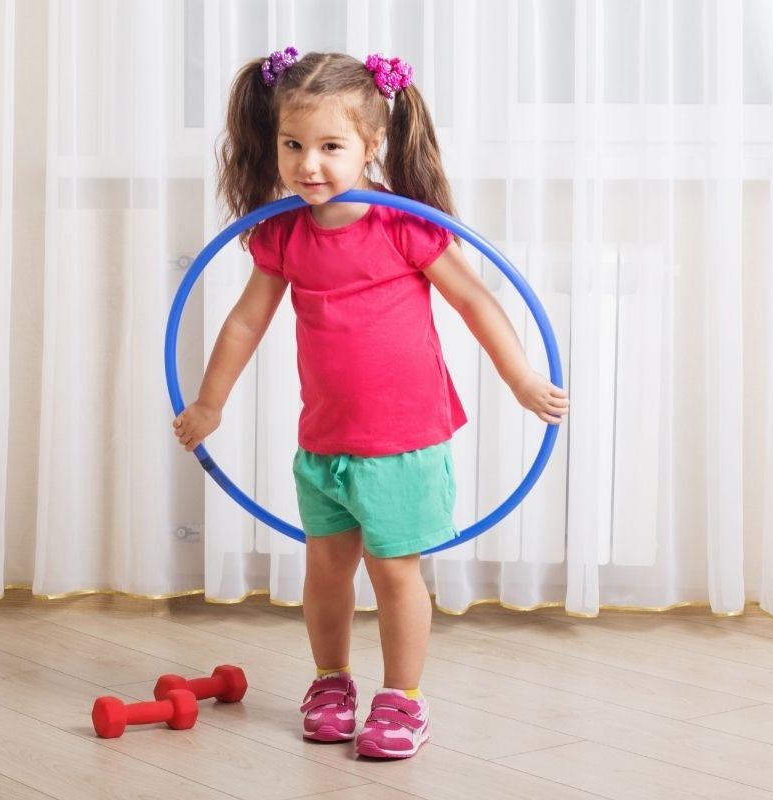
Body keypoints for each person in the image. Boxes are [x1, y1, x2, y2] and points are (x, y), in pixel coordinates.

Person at [173, 48, 568, 759]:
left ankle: (402, 697)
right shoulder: (283, 233)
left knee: (393, 572)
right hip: (325, 442)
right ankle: (331, 681)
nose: (308, 164)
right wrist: (209, 404)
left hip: (404, 441)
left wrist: (519, 380)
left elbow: (475, 300)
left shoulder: (402, 226)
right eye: (293, 145)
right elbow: (243, 322)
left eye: (330, 146)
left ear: (372, 145)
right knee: (325, 570)